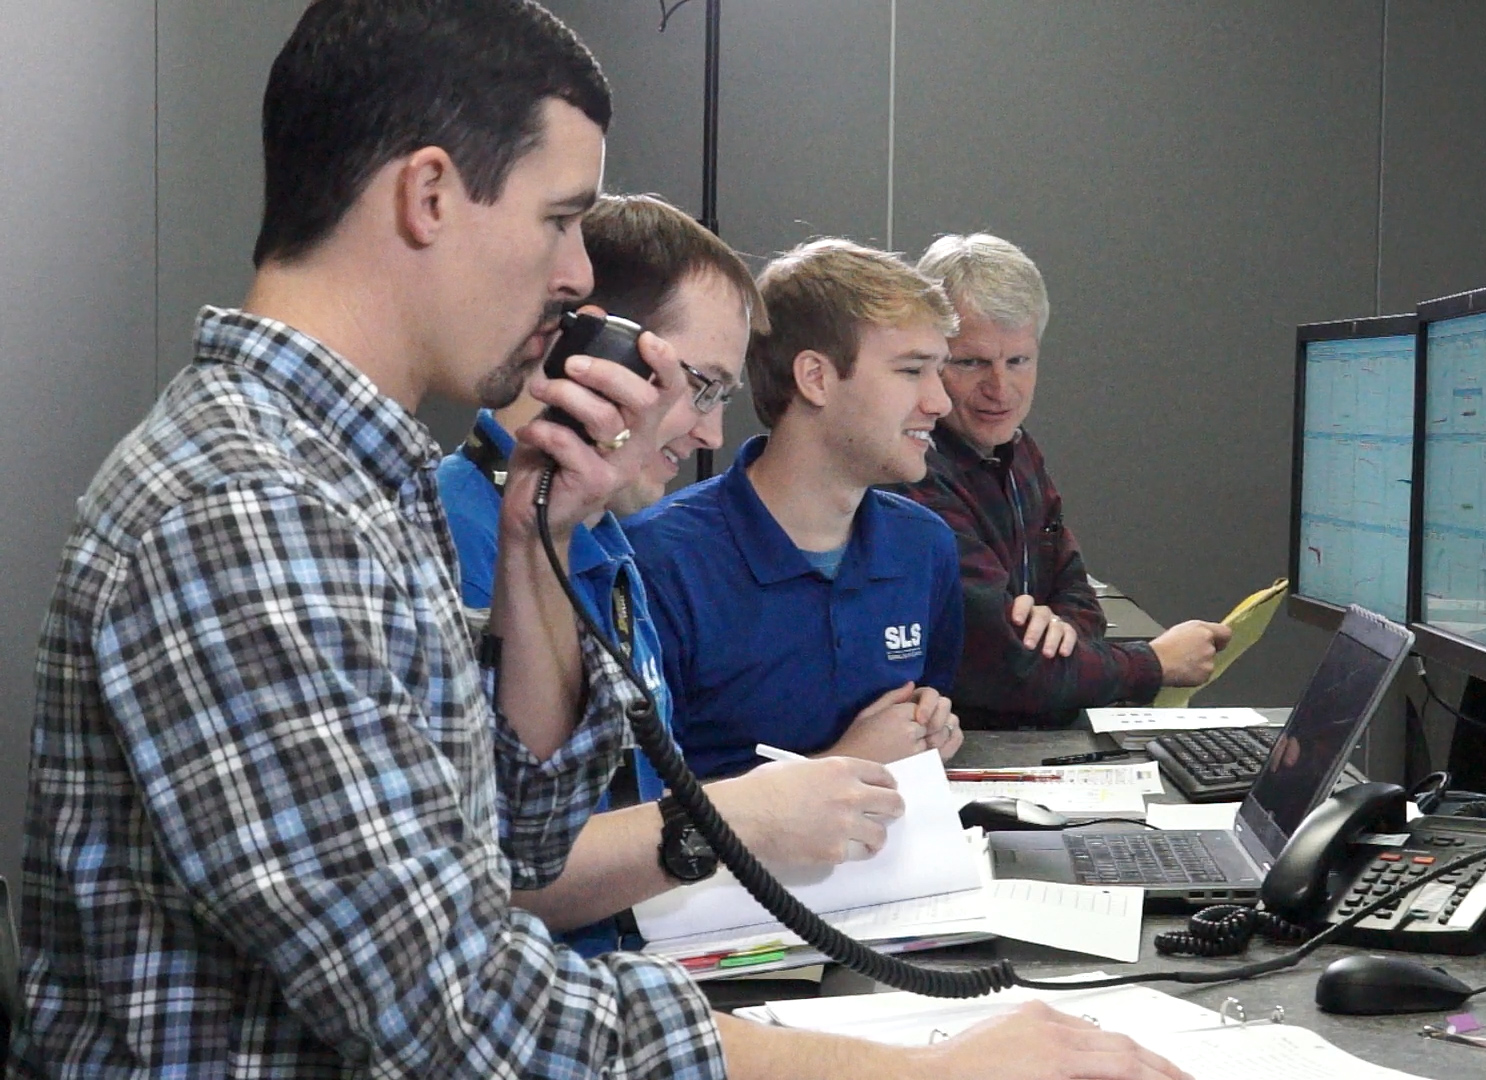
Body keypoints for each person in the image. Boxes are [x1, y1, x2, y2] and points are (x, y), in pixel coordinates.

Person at [7, 4, 1185, 1078]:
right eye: (560, 220)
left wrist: (540, 552)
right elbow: (461, 1011)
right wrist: (934, 1073)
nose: (576, 276)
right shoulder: (250, 509)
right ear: (428, 195)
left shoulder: (370, 485)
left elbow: (514, 855)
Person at [437, 193, 906, 955]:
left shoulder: (610, 546)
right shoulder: (452, 545)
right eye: (703, 386)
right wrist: (737, 819)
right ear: (595, 352)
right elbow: (492, 882)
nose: (713, 431)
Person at [628, 240, 968, 779]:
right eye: (912, 371)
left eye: (939, 372)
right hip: (727, 864)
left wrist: (930, 725)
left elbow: (925, 717)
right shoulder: (658, 562)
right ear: (816, 378)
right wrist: (841, 767)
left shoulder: (924, 547)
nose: (940, 402)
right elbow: (630, 814)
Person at [897, 233, 1231, 729]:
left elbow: (1077, 594)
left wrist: (1059, 635)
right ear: (930, 358)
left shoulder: (1018, 449)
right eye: (971, 362)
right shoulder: (911, 474)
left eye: (1018, 361)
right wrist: (1155, 663)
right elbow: (1011, 668)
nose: (1000, 389)